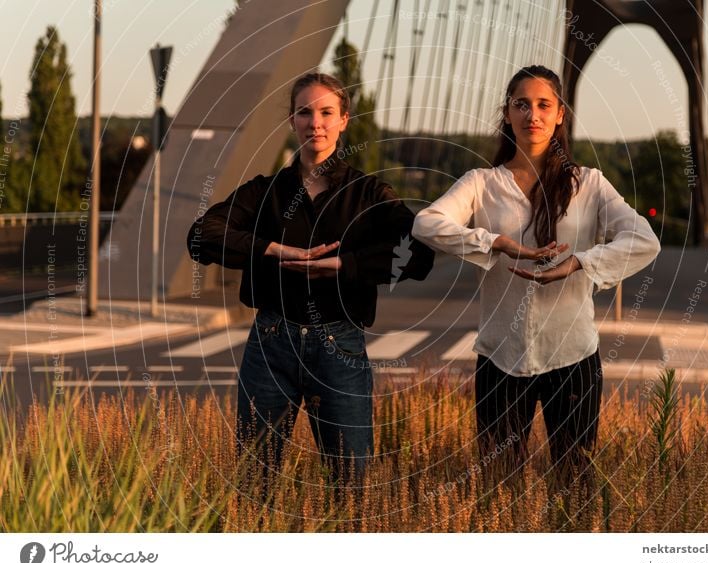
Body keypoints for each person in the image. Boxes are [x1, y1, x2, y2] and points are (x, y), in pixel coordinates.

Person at [412, 65, 660, 502]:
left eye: (544, 105)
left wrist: (581, 262)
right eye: (521, 104)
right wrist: (494, 242)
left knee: (575, 489)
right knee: (498, 492)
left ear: (560, 114)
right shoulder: (481, 184)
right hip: (500, 359)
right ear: (506, 114)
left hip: (573, 358)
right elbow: (426, 223)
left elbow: (644, 241)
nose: (533, 115)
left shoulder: (589, 185)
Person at [188, 72, 434, 491]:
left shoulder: (369, 194)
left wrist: (346, 265)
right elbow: (201, 236)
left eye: (326, 112)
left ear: (344, 120)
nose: (314, 123)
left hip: (340, 345)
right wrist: (273, 250)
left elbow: (421, 254)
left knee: (350, 486)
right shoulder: (265, 192)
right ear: (291, 120)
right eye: (305, 112)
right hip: (271, 341)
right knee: (254, 481)